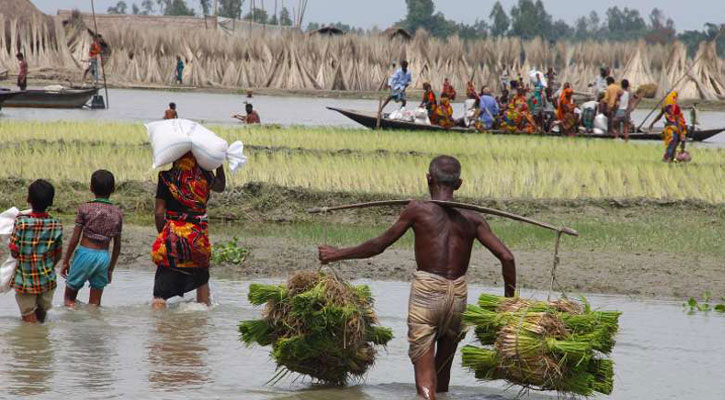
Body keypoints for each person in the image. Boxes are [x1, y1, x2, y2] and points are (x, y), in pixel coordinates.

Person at [318, 156, 516, 400]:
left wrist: (335, 254)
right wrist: (509, 304)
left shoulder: (417, 210)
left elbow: (379, 245)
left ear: (428, 178)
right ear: (459, 184)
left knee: (424, 386)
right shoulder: (473, 218)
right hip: (458, 297)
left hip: (427, 293)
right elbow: (507, 258)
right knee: (442, 380)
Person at [151, 152, 225, 309]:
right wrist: (218, 161)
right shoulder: (205, 176)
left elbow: (159, 213)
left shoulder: (166, 177)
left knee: (160, 296)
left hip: (172, 238)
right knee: (202, 286)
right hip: (198, 238)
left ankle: (158, 325)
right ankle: (201, 325)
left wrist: (163, 235)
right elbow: (220, 186)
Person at [61, 170, 123, 308]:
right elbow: (117, 246)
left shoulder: (85, 208)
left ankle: (72, 322)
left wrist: (65, 261)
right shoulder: (118, 213)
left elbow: (75, 239)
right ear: (113, 189)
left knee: (69, 299)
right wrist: (110, 269)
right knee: (95, 305)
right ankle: (94, 327)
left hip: (85, 254)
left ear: (91, 187)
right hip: (103, 258)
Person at [8, 180, 63, 323]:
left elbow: (14, 252)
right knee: (41, 315)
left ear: (28, 199)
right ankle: (40, 340)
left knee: (28, 317)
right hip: (47, 280)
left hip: (25, 281)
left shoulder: (21, 223)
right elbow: (58, 254)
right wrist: (47, 265)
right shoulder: (56, 224)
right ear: (51, 202)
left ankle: (32, 342)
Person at [649, 91, 687, 162]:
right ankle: (667, 159)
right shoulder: (675, 107)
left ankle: (670, 159)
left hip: (670, 129)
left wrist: (652, 123)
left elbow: (660, 116)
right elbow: (677, 121)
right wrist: (681, 133)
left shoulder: (666, 106)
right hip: (674, 129)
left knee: (672, 144)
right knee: (672, 144)